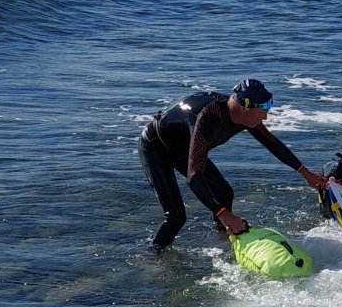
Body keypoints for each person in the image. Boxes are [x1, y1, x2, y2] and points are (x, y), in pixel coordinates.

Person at [138, 78, 327, 250]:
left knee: (225, 193)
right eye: (263, 112)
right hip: (156, 149)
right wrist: (222, 212)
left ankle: (224, 236)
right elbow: (194, 177)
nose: (265, 118)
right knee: (176, 217)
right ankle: (154, 255)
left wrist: (305, 172)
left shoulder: (244, 116)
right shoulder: (208, 118)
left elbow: (272, 143)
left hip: (184, 148)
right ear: (245, 107)